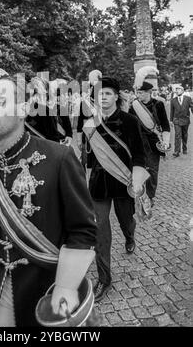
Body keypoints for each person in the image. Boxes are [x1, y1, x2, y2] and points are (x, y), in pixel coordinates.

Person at [0, 68, 97, 326]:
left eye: (0, 102)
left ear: (24, 109)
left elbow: (83, 230)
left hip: (46, 284)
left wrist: (67, 285)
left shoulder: (59, 158)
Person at [80, 77, 148, 303]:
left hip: (123, 182)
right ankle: (104, 279)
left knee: (126, 220)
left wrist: (137, 180)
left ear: (116, 96)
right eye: (100, 94)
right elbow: (86, 157)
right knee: (100, 231)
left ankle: (130, 235)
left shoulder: (129, 120)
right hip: (99, 184)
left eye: (108, 93)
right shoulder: (90, 124)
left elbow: (139, 153)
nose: (103, 97)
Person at [129, 81, 170, 205]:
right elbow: (130, 125)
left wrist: (166, 142)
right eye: (138, 92)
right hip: (138, 142)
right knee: (139, 168)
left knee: (152, 170)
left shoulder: (158, 105)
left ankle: (150, 196)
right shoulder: (134, 106)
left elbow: (165, 125)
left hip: (153, 142)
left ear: (148, 93)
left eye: (141, 93)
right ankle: (140, 193)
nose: (138, 95)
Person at [170, 85, 193, 157]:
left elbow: (192, 108)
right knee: (177, 135)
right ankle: (176, 151)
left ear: (182, 91)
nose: (177, 91)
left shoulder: (188, 99)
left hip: (185, 120)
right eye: (176, 90)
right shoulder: (173, 100)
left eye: (179, 89)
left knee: (184, 135)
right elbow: (172, 111)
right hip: (176, 120)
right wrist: (171, 120)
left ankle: (184, 148)